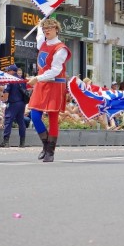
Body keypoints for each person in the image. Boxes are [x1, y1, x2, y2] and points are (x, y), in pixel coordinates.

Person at [27, 18, 72, 162]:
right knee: (34, 115)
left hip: (55, 84)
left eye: (50, 28)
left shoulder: (61, 49)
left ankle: (50, 152)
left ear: (56, 30)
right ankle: (46, 145)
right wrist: (40, 24)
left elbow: (55, 70)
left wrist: (37, 78)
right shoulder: (43, 43)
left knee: (53, 118)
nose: (47, 31)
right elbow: (39, 36)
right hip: (41, 83)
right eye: (45, 29)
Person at [0, 64, 27, 148]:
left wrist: (3, 99)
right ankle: (22, 142)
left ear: (11, 71)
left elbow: (6, 94)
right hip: (21, 103)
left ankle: (6, 142)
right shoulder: (21, 80)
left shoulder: (9, 80)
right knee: (21, 122)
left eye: (7, 71)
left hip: (13, 103)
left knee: (8, 120)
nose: (7, 72)